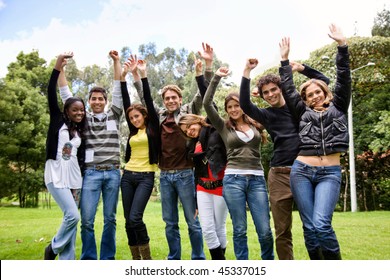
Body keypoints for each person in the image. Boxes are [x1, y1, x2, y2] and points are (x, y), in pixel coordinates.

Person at [239, 58, 329, 260]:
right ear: (262, 96)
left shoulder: (299, 105)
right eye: (265, 92)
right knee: (282, 230)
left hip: (306, 170)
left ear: (281, 88)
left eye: (273, 89)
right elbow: (244, 103)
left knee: (315, 226)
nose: (270, 94)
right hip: (279, 174)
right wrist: (246, 71)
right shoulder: (266, 115)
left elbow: (324, 82)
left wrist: (302, 69)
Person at [278, 24, 351, 260]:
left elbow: (343, 77)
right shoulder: (302, 113)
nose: (315, 95)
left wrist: (342, 46)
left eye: (318, 91)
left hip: (329, 172)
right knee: (309, 228)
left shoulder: (339, 106)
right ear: (306, 100)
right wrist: (284, 61)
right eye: (309, 95)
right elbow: (288, 90)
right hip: (301, 172)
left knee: (321, 224)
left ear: (325, 92)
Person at [137, 43, 214, 260]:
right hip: (165, 176)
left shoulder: (190, 110)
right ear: (164, 101)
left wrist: (206, 67)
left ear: (180, 99)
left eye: (174, 97)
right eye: (167, 98)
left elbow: (204, 92)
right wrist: (140, 75)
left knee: (192, 220)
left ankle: (198, 258)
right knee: (170, 222)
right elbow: (144, 100)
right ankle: (174, 260)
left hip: (186, 174)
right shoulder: (159, 115)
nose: (170, 101)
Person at [203, 66, 274, 260]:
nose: (234, 109)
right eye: (230, 107)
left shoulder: (256, 123)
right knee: (240, 229)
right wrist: (216, 77)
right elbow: (207, 104)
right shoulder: (223, 127)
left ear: (243, 105)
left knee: (265, 230)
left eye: (237, 105)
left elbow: (273, 110)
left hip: (257, 180)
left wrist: (255, 94)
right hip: (233, 180)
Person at [58, 50, 123, 260]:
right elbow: (65, 94)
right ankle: (88, 259)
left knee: (110, 219)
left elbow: (117, 90)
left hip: (113, 173)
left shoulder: (114, 114)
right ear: (89, 101)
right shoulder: (83, 120)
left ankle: (107, 259)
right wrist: (61, 67)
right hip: (91, 174)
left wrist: (116, 62)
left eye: (100, 98)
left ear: (105, 101)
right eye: (93, 99)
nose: (96, 101)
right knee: (87, 220)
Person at [44, 52, 87, 260]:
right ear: (67, 110)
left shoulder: (81, 130)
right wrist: (58, 67)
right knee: (73, 215)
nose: (79, 113)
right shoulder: (57, 120)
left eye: (82, 110)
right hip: (55, 175)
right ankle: (52, 249)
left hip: (74, 179)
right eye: (75, 110)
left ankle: (67, 264)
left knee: (71, 221)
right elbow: (54, 90)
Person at [119, 55, 159, 260]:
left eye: (137, 116)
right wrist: (123, 77)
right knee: (127, 220)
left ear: (144, 115)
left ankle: (147, 259)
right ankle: (136, 260)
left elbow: (149, 101)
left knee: (135, 218)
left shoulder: (152, 128)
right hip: (127, 176)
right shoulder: (133, 132)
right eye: (131, 118)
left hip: (145, 177)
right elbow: (127, 101)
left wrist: (142, 76)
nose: (134, 120)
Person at [178, 113, 228, 260]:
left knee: (219, 228)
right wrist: (195, 201)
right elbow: (197, 172)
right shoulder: (193, 144)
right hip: (202, 188)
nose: (188, 131)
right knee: (207, 229)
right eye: (185, 131)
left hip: (220, 186)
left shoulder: (214, 130)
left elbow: (209, 104)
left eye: (189, 126)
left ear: (196, 120)